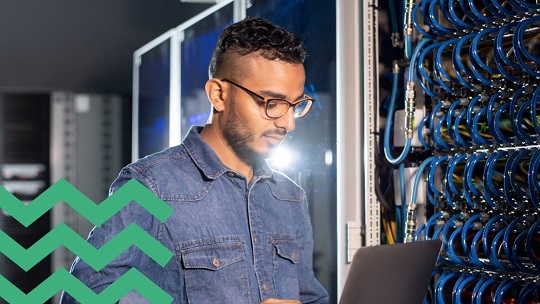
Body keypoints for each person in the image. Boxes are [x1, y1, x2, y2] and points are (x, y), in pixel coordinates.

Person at [60, 17, 328, 304]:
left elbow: (310, 297)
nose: (288, 124)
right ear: (218, 95)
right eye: (271, 103)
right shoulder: (151, 186)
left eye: (296, 105)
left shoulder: (289, 198)